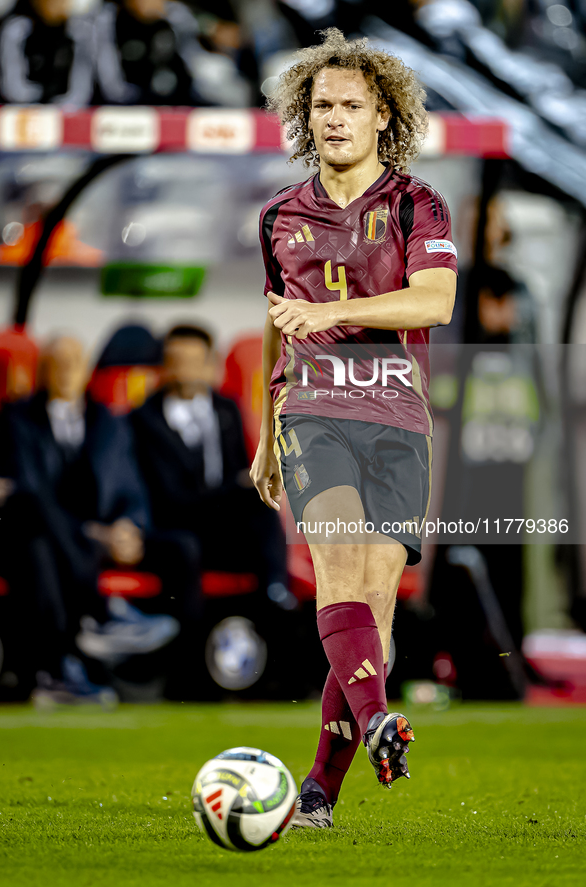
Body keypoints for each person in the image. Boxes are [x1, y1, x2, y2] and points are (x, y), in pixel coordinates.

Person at [250, 28, 457, 827]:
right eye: (321, 104)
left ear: (382, 117)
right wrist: (271, 428)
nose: (333, 117)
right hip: (314, 410)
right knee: (338, 572)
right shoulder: (278, 213)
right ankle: (377, 720)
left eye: (350, 105)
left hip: (399, 416)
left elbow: (432, 301)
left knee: (373, 611)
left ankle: (318, 791)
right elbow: (276, 322)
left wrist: (328, 311)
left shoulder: (415, 202)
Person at [0, 336, 181, 704]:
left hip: (67, 544)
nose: (66, 371)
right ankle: (99, 614)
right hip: (27, 533)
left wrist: (130, 526)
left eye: (74, 362)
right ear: (42, 371)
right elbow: (30, 488)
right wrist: (93, 533)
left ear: (87, 371)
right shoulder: (18, 417)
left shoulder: (108, 421)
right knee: (31, 513)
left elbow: (130, 485)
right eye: (57, 363)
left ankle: (57, 671)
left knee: (42, 551)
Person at [130, 324, 289, 600]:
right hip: (175, 523)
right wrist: (236, 486)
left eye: (194, 362)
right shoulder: (144, 418)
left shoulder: (226, 408)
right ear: (164, 366)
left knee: (262, 503)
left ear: (209, 365)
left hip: (221, 523)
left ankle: (277, 595)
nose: (185, 370)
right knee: (187, 544)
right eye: (176, 362)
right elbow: (168, 496)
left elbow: (239, 465)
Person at [0, 0, 95, 105]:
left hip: (64, 109)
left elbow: (80, 93)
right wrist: (43, 98)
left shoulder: (80, 31)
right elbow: (14, 91)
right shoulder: (17, 28)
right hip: (21, 108)